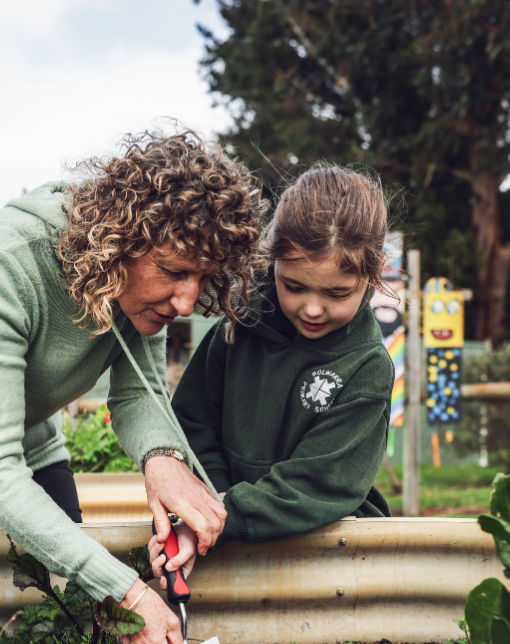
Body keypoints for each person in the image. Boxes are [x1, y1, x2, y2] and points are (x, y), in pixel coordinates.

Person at [0, 130, 265, 644]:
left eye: (202, 277)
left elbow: (137, 393)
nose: (189, 300)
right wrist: (130, 593)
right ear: (124, 240)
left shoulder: (137, 288)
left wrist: (163, 462)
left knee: (69, 623)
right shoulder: (0, 264)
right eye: (175, 273)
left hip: (29, 446)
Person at [151, 165, 394, 583]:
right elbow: (194, 423)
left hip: (326, 560)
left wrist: (220, 517)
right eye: (295, 287)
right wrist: (208, 509)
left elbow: (318, 483)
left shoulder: (367, 367)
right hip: (218, 527)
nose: (313, 309)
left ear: (371, 277)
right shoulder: (237, 323)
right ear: (273, 261)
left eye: (336, 293)